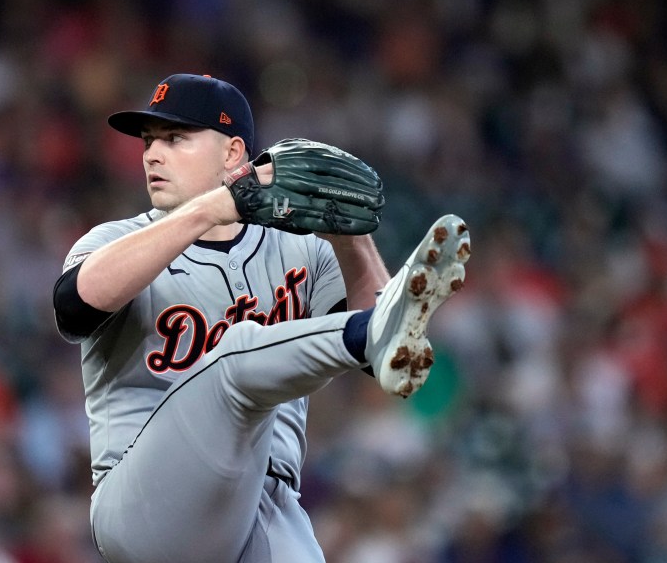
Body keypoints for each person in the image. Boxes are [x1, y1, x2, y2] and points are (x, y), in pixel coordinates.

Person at [52, 73, 470, 563]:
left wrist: (348, 235)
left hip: (264, 506)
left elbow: (384, 358)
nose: (151, 155)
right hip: (146, 505)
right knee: (233, 358)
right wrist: (213, 208)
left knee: (359, 337)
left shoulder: (299, 248)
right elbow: (73, 309)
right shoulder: (116, 242)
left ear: (232, 154)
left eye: (175, 138)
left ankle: (367, 331)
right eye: (149, 142)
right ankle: (365, 333)